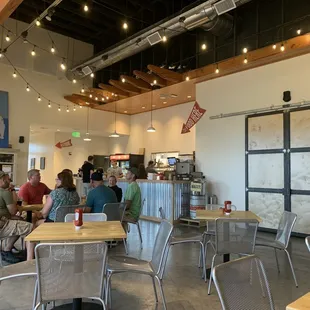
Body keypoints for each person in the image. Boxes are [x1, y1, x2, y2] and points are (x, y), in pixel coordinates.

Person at [0, 171, 34, 263]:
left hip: (4, 221)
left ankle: (7, 250)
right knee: (30, 227)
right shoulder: (4, 193)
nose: (9, 181)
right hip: (2, 225)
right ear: (3, 180)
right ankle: (30, 261)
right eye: (8, 179)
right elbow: (13, 211)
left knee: (19, 222)